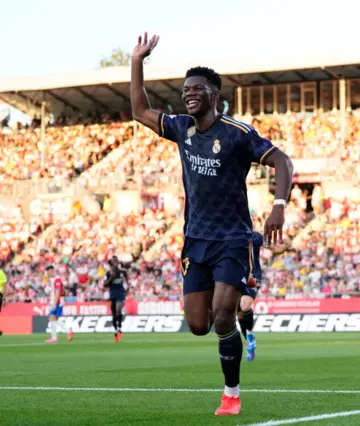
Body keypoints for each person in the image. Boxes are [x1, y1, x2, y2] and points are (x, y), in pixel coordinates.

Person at [130, 33, 293, 416]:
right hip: (195, 241)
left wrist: (279, 205)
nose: (189, 94)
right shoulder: (182, 128)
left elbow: (282, 161)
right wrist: (137, 60)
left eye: (197, 89)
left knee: (223, 314)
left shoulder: (237, 134)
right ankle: (235, 334)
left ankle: (231, 393)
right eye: (186, 89)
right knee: (199, 325)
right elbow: (139, 111)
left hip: (233, 239)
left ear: (214, 95)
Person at [237, 232, 291, 362]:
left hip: (252, 275)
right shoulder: (226, 234)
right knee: (238, 312)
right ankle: (249, 338)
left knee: (244, 305)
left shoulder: (256, 236)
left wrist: (286, 245)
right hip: (234, 274)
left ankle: (249, 335)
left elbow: (276, 250)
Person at [45, 265, 73, 343]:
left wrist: (54, 304)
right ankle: (68, 331)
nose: (47, 274)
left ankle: (55, 337)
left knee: (52, 318)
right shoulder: (52, 280)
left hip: (57, 301)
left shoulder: (57, 280)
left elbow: (57, 292)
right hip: (55, 301)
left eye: (48, 272)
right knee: (54, 319)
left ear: (51, 271)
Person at [105, 256, 129, 342]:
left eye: (116, 261)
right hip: (112, 294)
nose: (115, 263)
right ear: (111, 264)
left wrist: (128, 287)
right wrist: (111, 278)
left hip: (121, 293)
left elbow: (127, 279)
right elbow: (105, 284)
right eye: (113, 262)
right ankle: (116, 330)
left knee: (119, 308)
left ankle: (119, 328)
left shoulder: (122, 271)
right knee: (114, 314)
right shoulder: (108, 273)